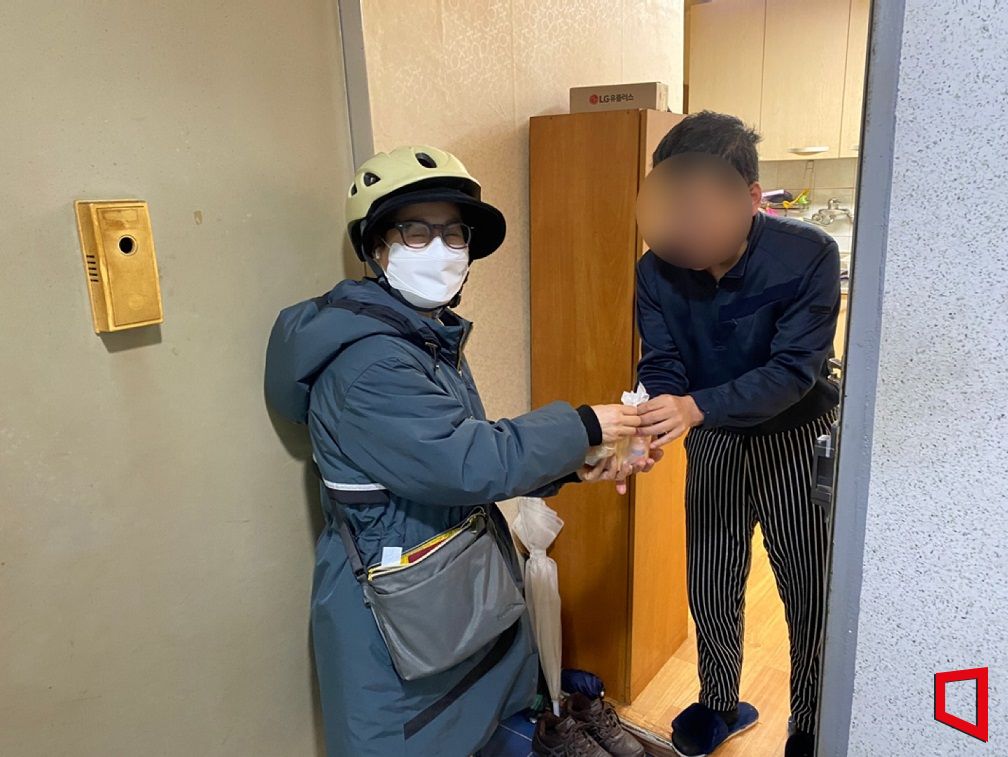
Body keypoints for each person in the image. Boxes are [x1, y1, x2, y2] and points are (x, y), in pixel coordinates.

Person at [264, 145, 648, 756]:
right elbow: (464, 461)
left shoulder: (423, 338)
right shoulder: (370, 363)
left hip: (447, 590)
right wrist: (582, 426)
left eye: (453, 234)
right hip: (396, 615)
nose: (441, 250)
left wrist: (579, 465)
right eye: (416, 232)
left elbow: (454, 457)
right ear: (375, 247)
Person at [633, 113, 841, 757]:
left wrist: (693, 407)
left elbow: (794, 371)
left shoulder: (808, 255)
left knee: (808, 586)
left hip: (796, 434)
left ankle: (810, 720)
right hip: (714, 435)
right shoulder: (656, 269)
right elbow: (662, 362)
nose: (686, 225)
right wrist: (651, 423)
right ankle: (719, 702)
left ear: (751, 197)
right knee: (712, 575)